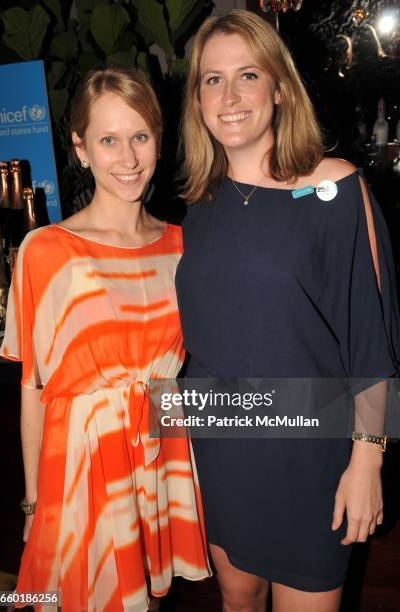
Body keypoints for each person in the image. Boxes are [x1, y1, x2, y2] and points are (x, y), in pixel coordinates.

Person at [176, 9, 400, 612]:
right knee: (237, 601)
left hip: (312, 458)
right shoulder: (199, 206)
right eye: (211, 79)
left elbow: (372, 339)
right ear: (196, 98)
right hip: (222, 448)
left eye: (247, 75)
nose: (229, 96)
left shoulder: (338, 189)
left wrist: (368, 456)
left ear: (278, 86)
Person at [0, 66, 210, 611]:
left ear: (159, 143)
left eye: (140, 137)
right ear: (81, 148)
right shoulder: (46, 250)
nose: (129, 158)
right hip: (82, 464)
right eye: (109, 141)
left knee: (147, 596)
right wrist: (33, 504)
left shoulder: (187, 246)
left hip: (159, 455)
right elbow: (32, 387)